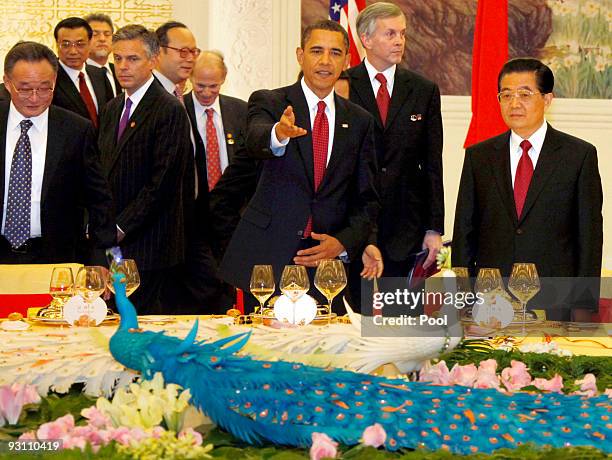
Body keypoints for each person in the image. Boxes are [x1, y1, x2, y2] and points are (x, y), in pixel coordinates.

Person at [218, 20, 379, 308]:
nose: (325, 61)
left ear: (347, 60)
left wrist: (344, 242)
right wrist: (278, 134)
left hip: (325, 265)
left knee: (323, 350)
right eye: (316, 51)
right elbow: (256, 138)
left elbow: (366, 198)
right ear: (300, 55)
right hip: (268, 260)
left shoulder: (359, 120)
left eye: (335, 53)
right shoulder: (271, 101)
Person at [452, 58, 603, 322]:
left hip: (556, 299)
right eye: (506, 95)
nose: (514, 103)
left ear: (547, 99)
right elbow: (464, 230)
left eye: (525, 94)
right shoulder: (480, 156)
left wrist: (583, 304)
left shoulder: (578, 156)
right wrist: (463, 297)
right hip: (492, 298)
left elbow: (589, 237)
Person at [98, 25, 192, 314]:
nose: (123, 67)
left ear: (152, 61)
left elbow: (162, 183)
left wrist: (120, 226)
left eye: (133, 59)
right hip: (110, 243)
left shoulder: (168, 109)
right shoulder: (112, 108)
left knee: (138, 329)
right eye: (118, 59)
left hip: (148, 246)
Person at [348, 2, 444, 277]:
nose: (399, 41)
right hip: (352, 228)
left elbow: (432, 164)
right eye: (390, 34)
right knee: (348, 318)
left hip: (406, 228)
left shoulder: (423, 90)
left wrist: (433, 228)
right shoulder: (343, 85)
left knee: (402, 318)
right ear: (366, 39)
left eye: (402, 34)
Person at [0, 41, 115, 263]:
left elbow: (99, 198)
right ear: (7, 82)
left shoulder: (76, 130)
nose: (35, 98)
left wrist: (102, 257)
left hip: (56, 256)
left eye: (45, 88)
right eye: (24, 88)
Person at [52, 17, 114, 127]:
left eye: (80, 44)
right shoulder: (50, 78)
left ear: (90, 43)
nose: (73, 51)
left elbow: (110, 118)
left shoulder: (100, 74)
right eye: (66, 45)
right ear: (57, 45)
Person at [153, 21, 199, 99]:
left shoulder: (177, 93)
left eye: (193, 51)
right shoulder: (146, 92)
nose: (191, 59)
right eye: (183, 51)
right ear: (159, 52)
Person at [85, 13, 120, 97]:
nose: (102, 39)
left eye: (107, 34)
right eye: (95, 34)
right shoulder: (79, 73)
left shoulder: (119, 71)